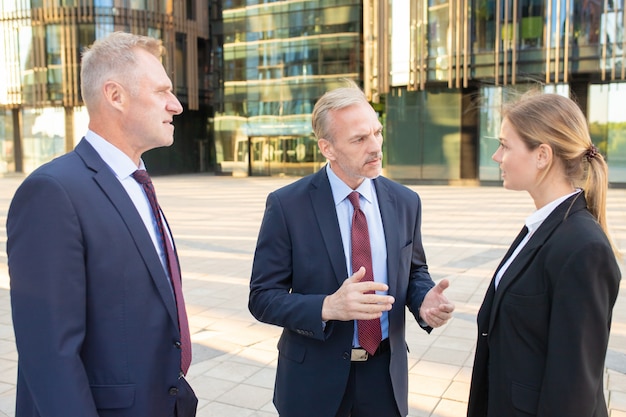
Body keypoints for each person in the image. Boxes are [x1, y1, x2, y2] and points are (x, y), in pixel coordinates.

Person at [7, 32, 197, 417]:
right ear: (115, 96)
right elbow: (49, 354)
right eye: (162, 91)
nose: (175, 105)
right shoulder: (52, 192)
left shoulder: (139, 183)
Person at [248, 81, 455, 417]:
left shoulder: (405, 202)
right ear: (327, 148)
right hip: (313, 381)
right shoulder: (287, 205)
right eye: (360, 139)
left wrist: (425, 300)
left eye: (377, 132)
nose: (375, 146)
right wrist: (328, 306)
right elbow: (262, 297)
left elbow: (415, 271)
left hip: (385, 378)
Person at [467, 92, 621, 417]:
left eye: (506, 145)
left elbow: (573, 388)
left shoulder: (583, 247)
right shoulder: (544, 226)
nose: (497, 156)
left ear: (542, 156)